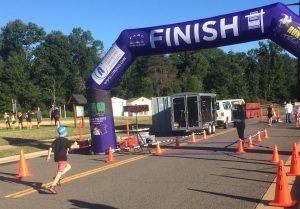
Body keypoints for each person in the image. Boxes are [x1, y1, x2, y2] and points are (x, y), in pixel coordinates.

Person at [47, 126, 72, 194]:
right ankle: (52, 186)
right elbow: (69, 149)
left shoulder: (56, 140)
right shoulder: (66, 140)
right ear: (65, 132)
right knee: (60, 172)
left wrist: (48, 156)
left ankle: (56, 177)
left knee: (68, 166)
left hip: (57, 157)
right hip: (62, 158)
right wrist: (74, 145)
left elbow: (50, 148)